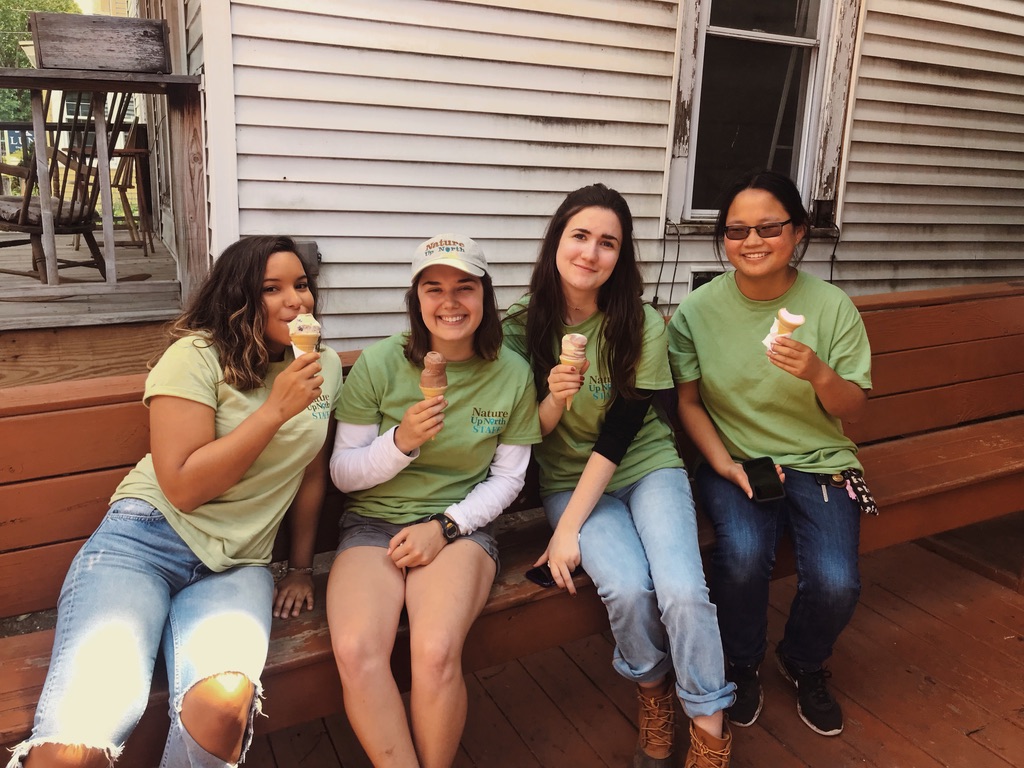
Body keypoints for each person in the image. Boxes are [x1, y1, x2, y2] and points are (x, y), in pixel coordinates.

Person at [7, 235, 344, 767]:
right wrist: (273, 412)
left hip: (237, 563)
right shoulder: (194, 357)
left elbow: (309, 472)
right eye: (272, 289)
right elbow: (184, 487)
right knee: (82, 738)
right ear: (238, 297)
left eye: (301, 285)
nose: (296, 301)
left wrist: (300, 567)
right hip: (146, 542)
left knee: (224, 706)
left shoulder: (323, 367)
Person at [503, 184, 734, 768]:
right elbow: (519, 428)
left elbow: (624, 429)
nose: (591, 252)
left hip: (643, 465)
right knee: (629, 588)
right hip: (566, 478)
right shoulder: (519, 327)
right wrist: (552, 400)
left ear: (621, 255)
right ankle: (653, 696)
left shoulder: (641, 324)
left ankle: (710, 731)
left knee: (682, 589)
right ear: (556, 240)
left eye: (608, 242)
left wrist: (565, 531)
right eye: (579, 236)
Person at [668, 169, 872, 737]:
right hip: (737, 458)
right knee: (741, 557)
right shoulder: (698, 311)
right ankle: (742, 663)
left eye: (768, 227)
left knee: (837, 582)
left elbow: (852, 407)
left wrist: (817, 371)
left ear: (798, 232)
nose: (751, 242)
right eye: (736, 231)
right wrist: (722, 464)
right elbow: (688, 404)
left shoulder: (831, 308)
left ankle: (803, 660)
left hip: (821, 460)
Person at [326, 234, 540, 768]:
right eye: (433, 288)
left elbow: (508, 479)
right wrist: (400, 443)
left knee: (435, 650)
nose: (449, 303)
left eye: (464, 288)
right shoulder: (380, 364)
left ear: (485, 296)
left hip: (460, 528)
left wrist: (445, 527)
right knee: (357, 650)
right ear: (416, 299)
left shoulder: (512, 374)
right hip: (373, 523)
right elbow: (343, 474)